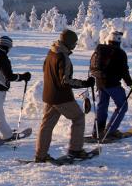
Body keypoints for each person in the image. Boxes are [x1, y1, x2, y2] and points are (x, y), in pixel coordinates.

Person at [35, 29, 95, 162]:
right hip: (61, 97)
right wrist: (85, 83)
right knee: (79, 117)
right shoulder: (63, 57)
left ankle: (41, 155)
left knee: (47, 125)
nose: (75, 45)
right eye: (74, 43)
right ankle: (75, 150)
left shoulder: (51, 52)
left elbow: (46, 70)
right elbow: (66, 80)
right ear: (69, 43)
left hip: (49, 95)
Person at [90, 31, 132, 139]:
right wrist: (131, 84)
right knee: (122, 107)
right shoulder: (120, 53)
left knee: (102, 107)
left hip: (100, 83)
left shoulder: (100, 50)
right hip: (112, 85)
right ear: (119, 41)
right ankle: (110, 131)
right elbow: (124, 72)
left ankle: (97, 131)